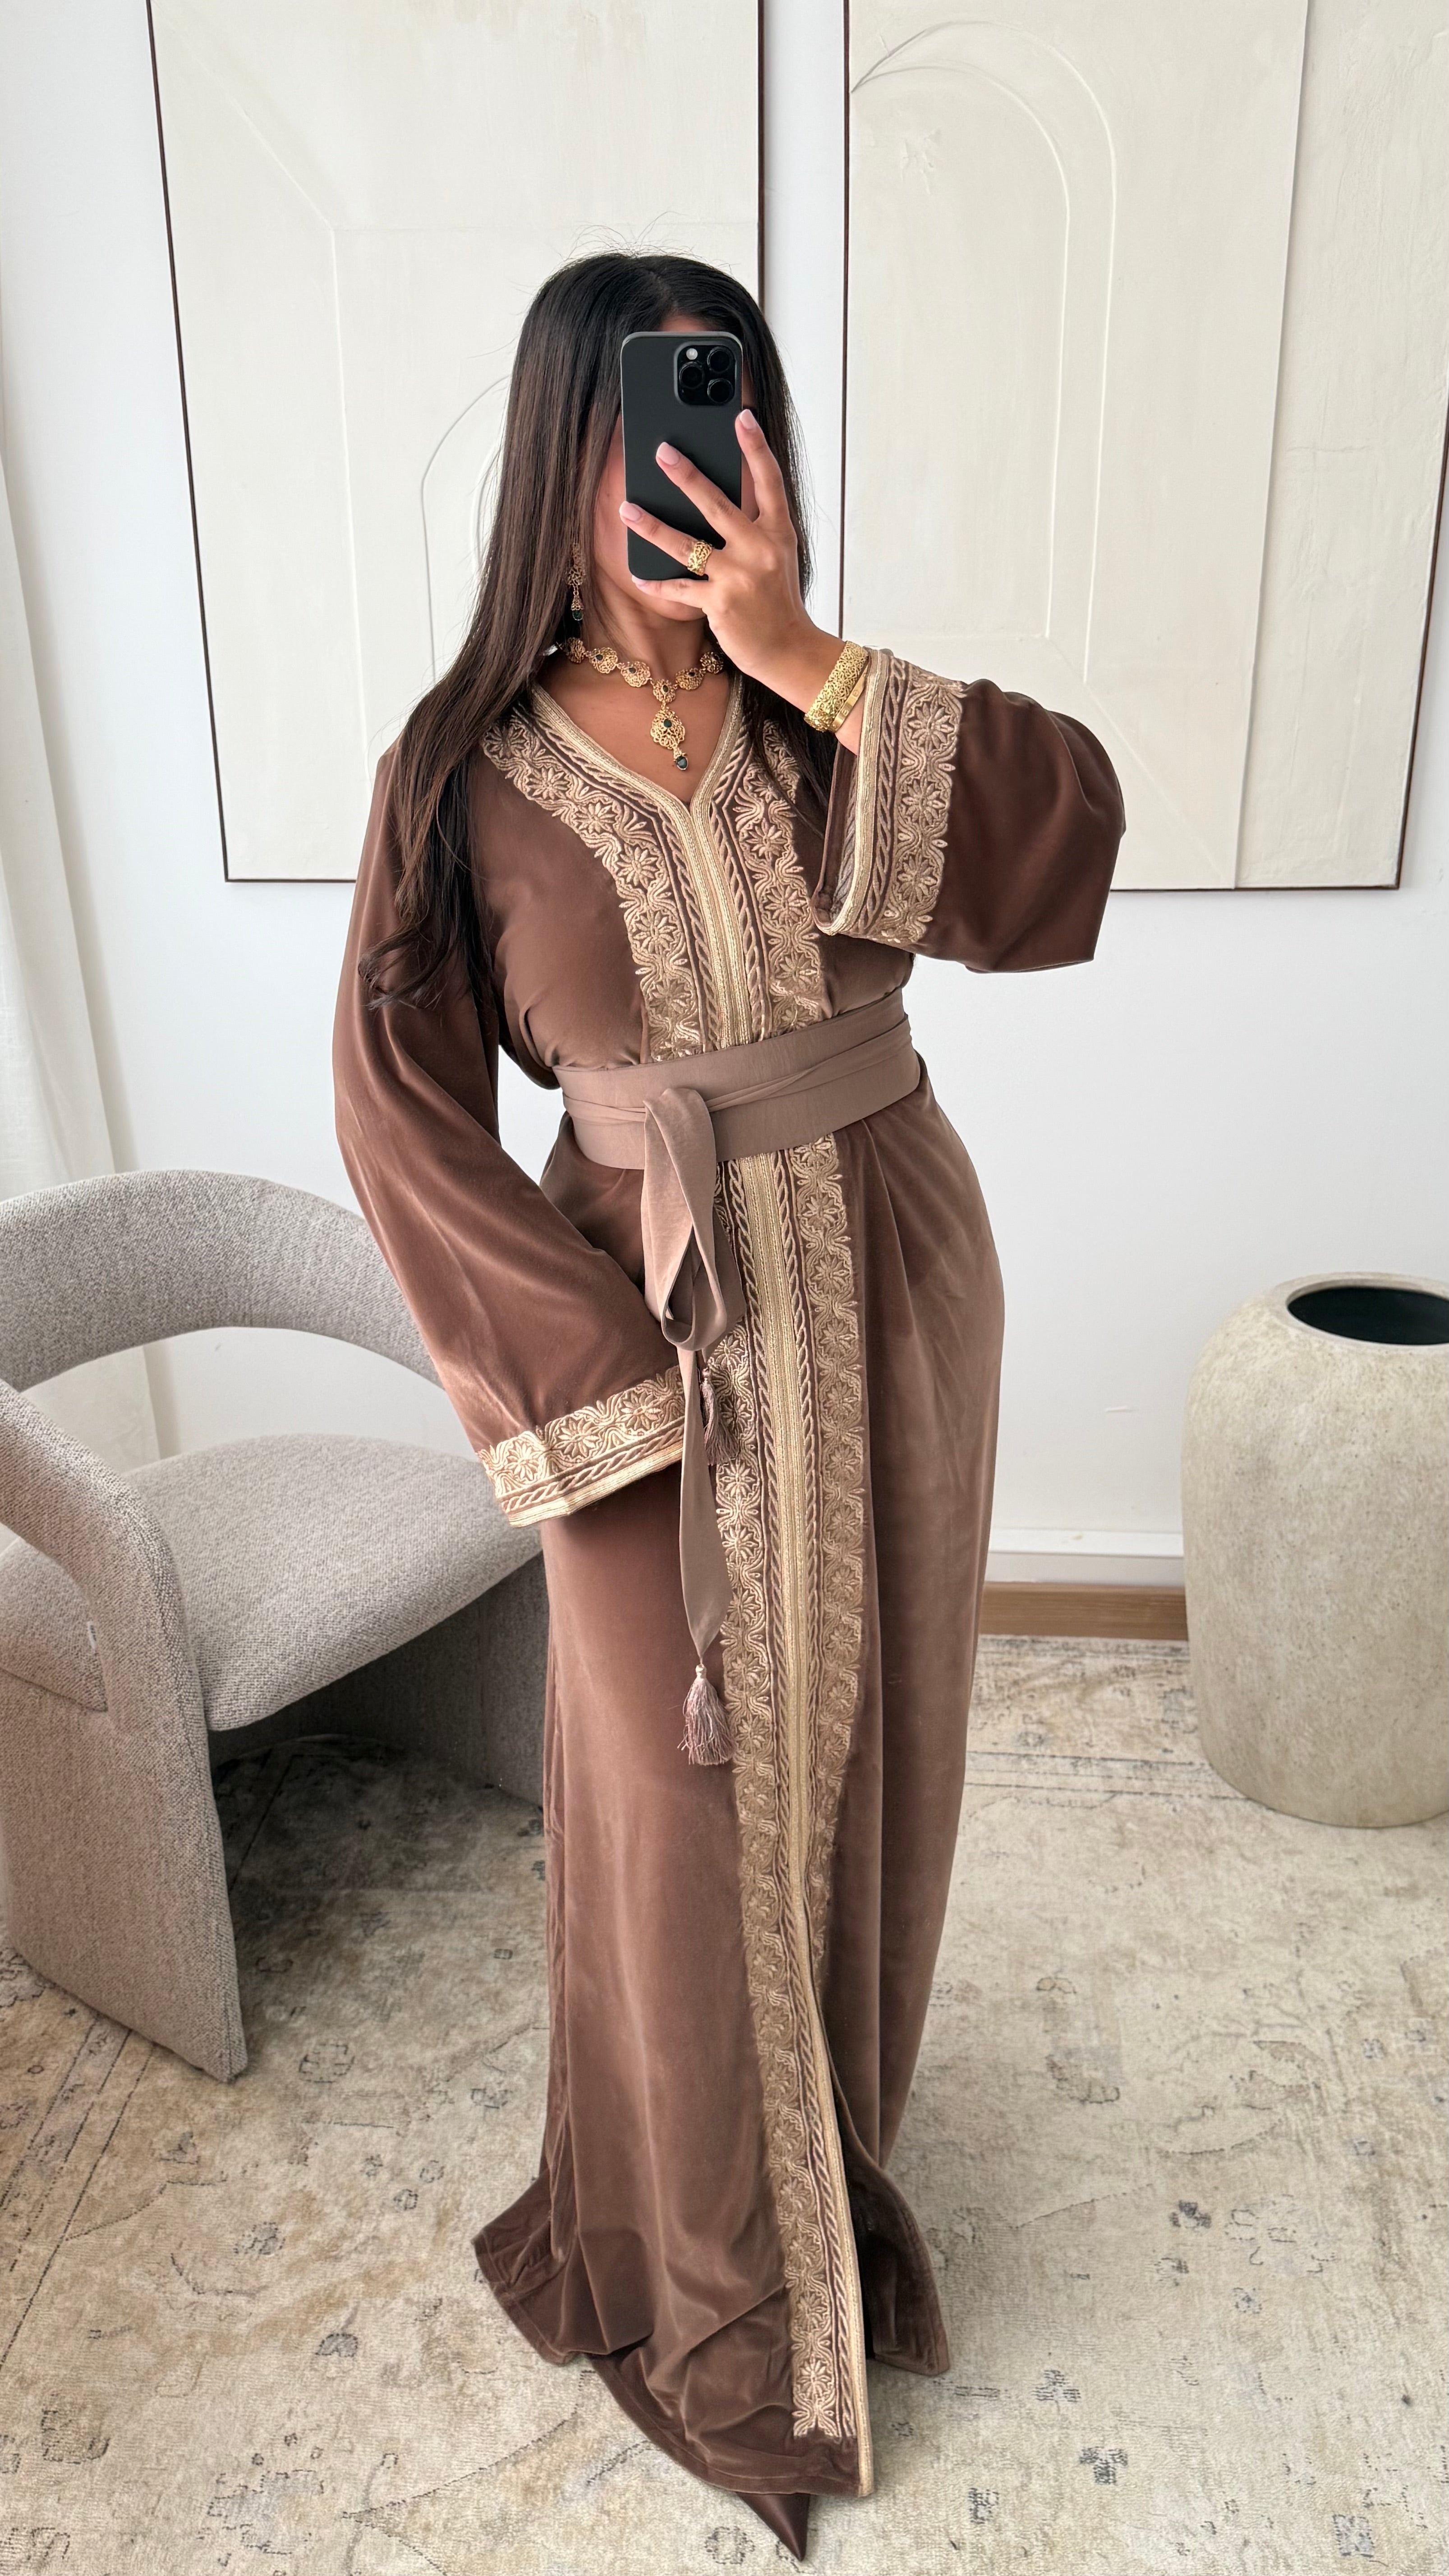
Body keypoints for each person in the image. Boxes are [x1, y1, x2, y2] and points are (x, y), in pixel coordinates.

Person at [332, 248, 1125, 2560]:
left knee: (874, 1761)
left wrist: (812, 655)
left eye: (730, 411)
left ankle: (828, 2172)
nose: (689, 466)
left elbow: (1066, 848)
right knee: (675, 1825)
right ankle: (715, 2300)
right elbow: (399, 1110)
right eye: (643, 424)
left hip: (891, 1284)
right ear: (557, 452)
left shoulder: (818, 710)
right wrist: (590, 1383)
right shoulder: (457, 772)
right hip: (647, 1337)